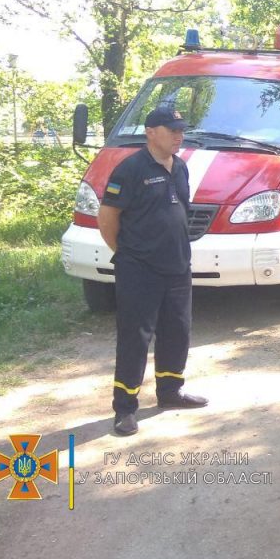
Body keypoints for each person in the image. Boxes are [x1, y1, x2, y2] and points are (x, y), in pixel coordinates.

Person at [97, 105, 208, 436]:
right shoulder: (130, 169)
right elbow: (107, 219)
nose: (179, 136)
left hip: (177, 267)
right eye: (171, 130)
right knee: (135, 338)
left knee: (177, 331)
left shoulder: (180, 168)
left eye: (180, 130)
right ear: (150, 132)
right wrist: (130, 254)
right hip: (139, 270)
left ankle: (170, 392)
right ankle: (125, 408)